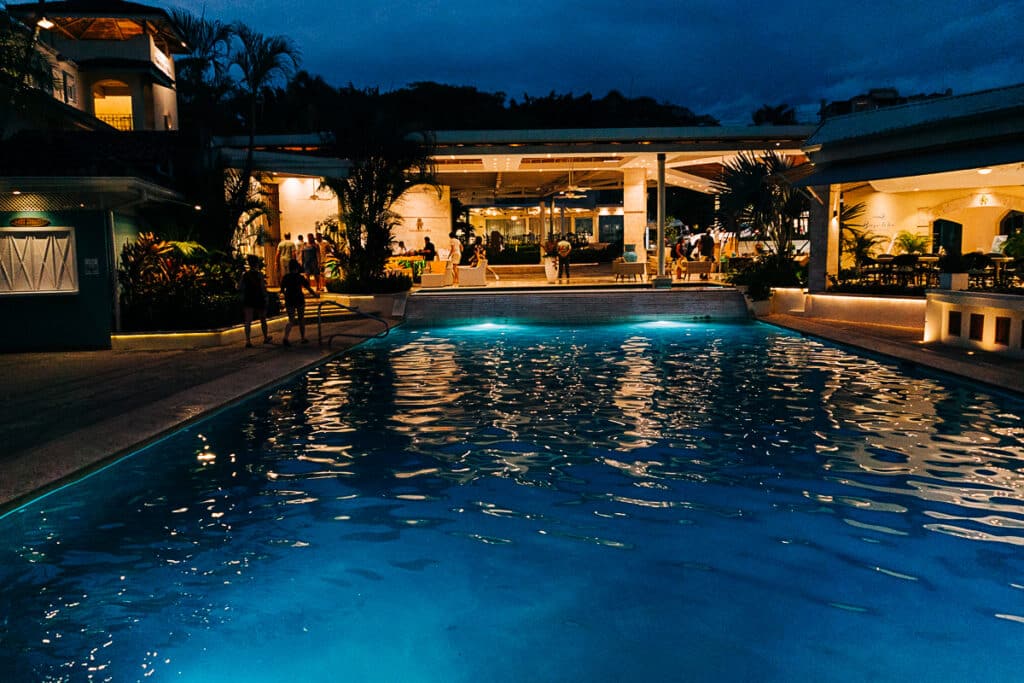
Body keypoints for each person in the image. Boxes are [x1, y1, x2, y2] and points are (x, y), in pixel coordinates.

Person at [280, 259, 318, 347]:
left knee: (291, 320)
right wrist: (315, 295)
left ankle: (286, 337)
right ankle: (303, 337)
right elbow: (308, 287)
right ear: (297, 267)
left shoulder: (286, 277)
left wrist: (285, 295)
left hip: (289, 299)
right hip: (299, 298)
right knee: (301, 319)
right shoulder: (299, 277)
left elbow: (282, 289)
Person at [238, 254, 271, 347]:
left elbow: (239, 286)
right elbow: (262, 287)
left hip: (248, 298)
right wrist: (266, 296)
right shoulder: (259, 274)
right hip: (258, 297)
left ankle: (248, 340)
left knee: (248, 320)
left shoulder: (245, 275)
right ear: (257, 263)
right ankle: (265, 337)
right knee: (263, 319)